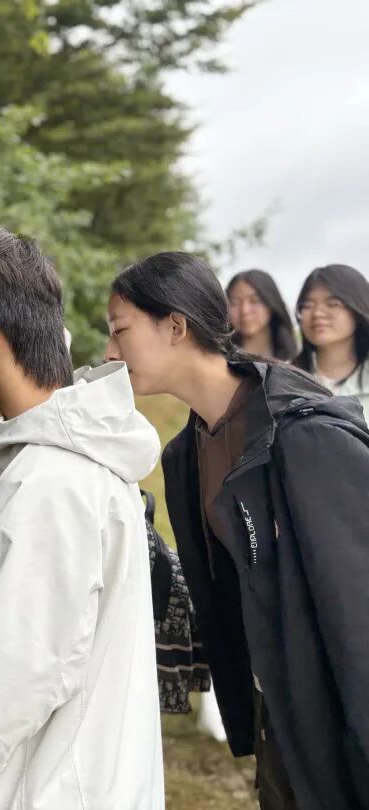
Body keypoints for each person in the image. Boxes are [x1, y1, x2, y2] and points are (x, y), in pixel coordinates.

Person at [0, 228, 164, 810]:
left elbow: (3, 688)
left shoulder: (49, 481)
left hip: (49, 787)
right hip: (91, 774)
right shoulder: (81, 455)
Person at [105, 251, 369, 810]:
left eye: (119, 331)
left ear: (174, 326)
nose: (110, 353)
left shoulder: (303, 435)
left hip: (340, 721)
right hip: (277, 710)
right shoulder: (185, 455)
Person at [292, 263, 369, 413]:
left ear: (358, 308)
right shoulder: (284, 379)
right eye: (308, 305)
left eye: (333, 303)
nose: (317, 313)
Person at [226, 269, 298, 361]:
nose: (244, 310)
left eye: (254, 300)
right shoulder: (217, 360)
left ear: (271, 304)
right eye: (235, 302)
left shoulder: (295, 362)